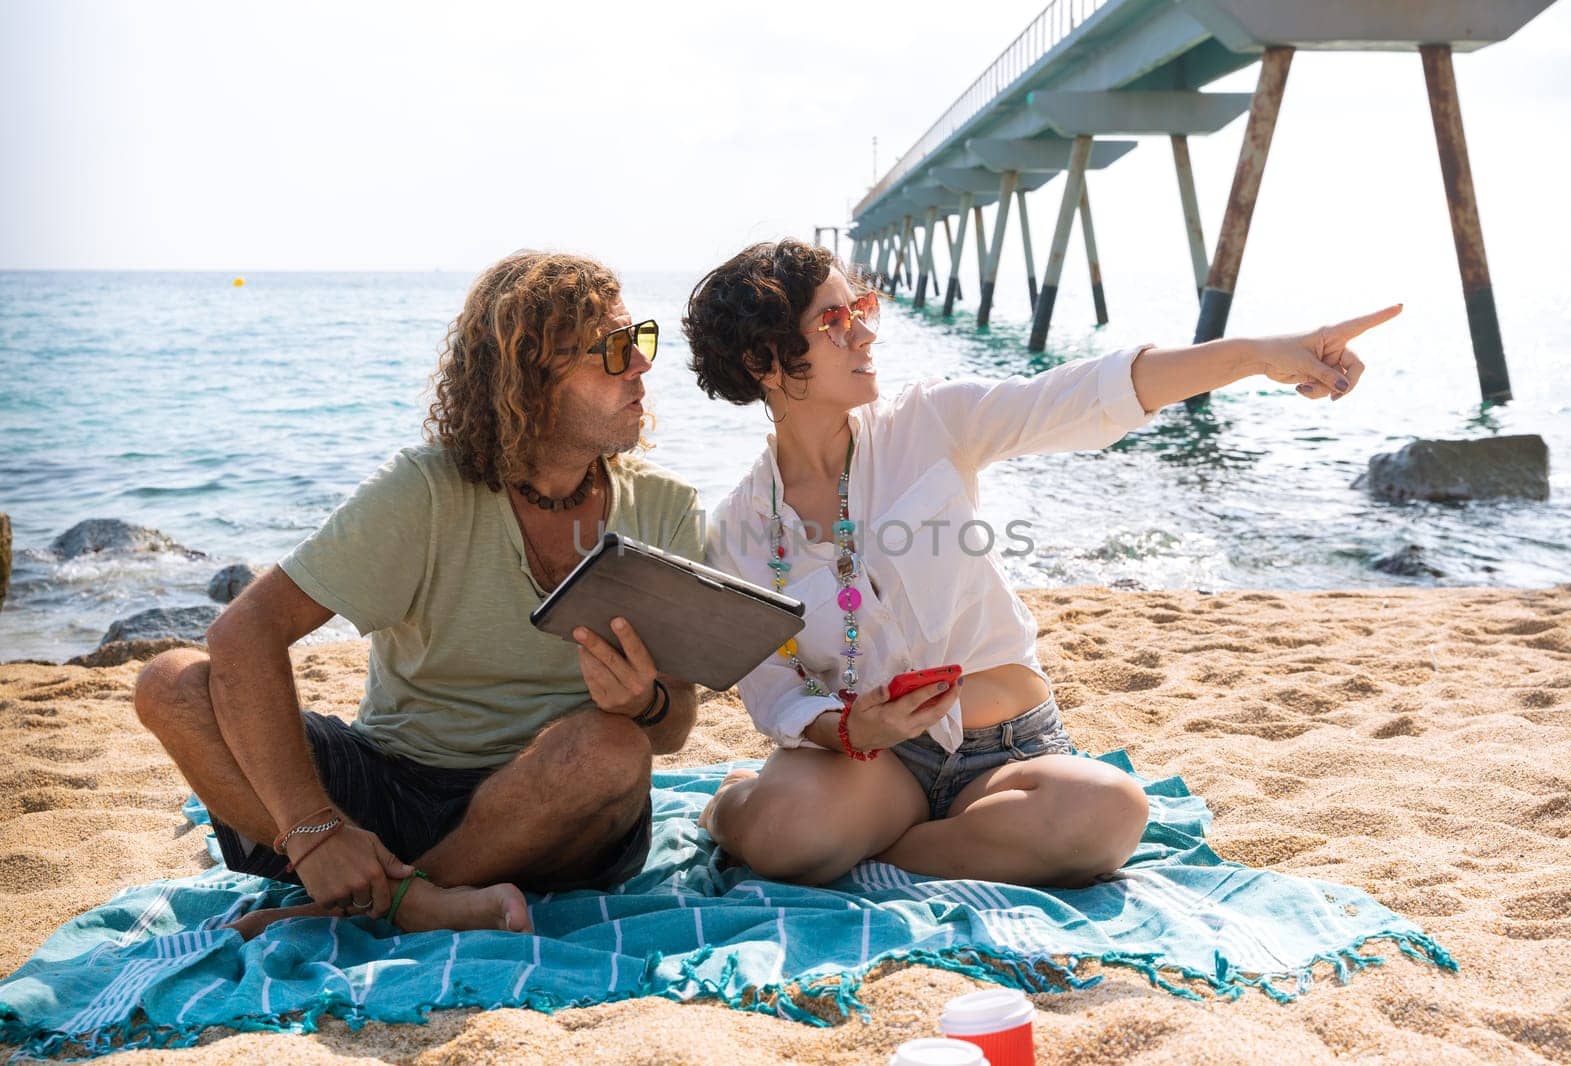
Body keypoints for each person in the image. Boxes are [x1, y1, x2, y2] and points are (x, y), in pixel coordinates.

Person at [683, 238, 1398, 888]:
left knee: (1108, 812)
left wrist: (1256, 355)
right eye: (835, 321)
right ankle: (737, 804)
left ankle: (894, 851)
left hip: (1010, 753)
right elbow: (774, 690)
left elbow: (1089, 395)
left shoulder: (929, 422)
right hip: (876, 764)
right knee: (783, 835)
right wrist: (850, 732)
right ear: (763, 361)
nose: (867, 331)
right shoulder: (741, 531)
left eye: (861, 307)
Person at [133, 251, 704, 936]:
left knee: (614, 751)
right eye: (613, 350)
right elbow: (242, 632)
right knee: (170, 684)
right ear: (531, 378)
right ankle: (413, 900)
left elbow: (672, 732)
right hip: (389, 784)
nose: (642, 365)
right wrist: (313, 830)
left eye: (639, 339)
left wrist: (645, 702)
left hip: (552, 812)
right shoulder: (426, 492)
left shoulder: (665, 509)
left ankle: (383, 902)